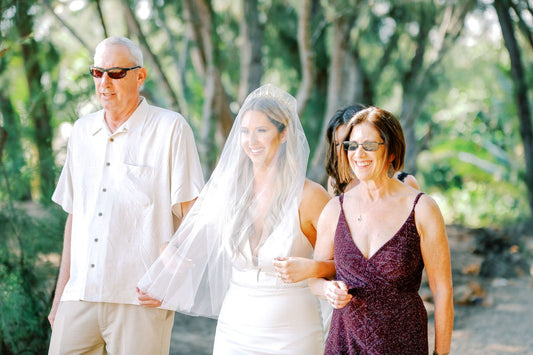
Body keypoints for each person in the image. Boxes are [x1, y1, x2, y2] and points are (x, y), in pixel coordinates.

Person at [137, 84, 333, 354]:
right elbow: (193, 247)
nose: (251, 142)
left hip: (293, 333)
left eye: (261, 131)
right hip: (235, 330)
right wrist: (165, 267)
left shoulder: (310, 197)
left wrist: (311, 269)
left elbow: (342, 264)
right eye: (245, 132)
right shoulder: (227, 192)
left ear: (284, 132)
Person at [48, 36, 204, 355]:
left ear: (140, 76)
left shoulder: (171, 129)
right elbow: (75, 219)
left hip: (140, 300)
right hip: (79, 297)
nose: (105, 83)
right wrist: (60, 296)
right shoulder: (80, 132)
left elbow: (194, 218)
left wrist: (171, 284)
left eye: (116, 73)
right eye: (97, 72)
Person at [311, 107, 453, 355]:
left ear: (392, 151)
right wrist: (328, 290)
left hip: (402, 344)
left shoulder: (422, 209)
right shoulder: (334, 210)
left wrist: (441, 354)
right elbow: (316, 278)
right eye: (352, 146)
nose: (358, 154)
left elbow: (442, 291)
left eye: (369, 145)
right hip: (344, 343)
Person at [325, 105, 420, 196]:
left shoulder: (405, 182)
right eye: (337, 144)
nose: (343, 149)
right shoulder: (335, 182)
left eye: (348, 142)